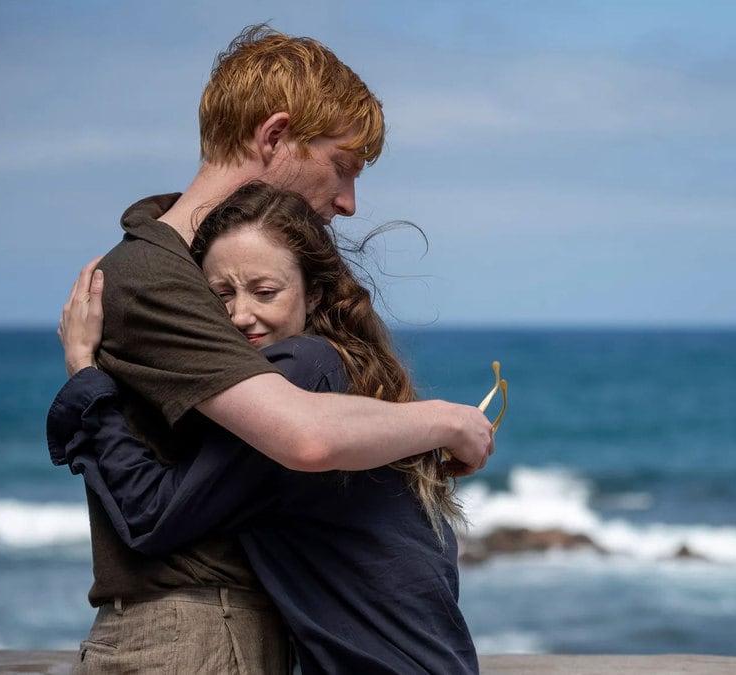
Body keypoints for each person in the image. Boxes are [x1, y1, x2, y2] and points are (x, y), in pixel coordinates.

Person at [59, 24, 493, 673]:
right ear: (273, 136)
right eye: (341, 167)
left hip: (240, 626)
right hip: (196, 630)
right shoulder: (155, 278)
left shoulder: (212, 280)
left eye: (262, 288)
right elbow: (300, 435)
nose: (348, 202)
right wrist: (450, 421)